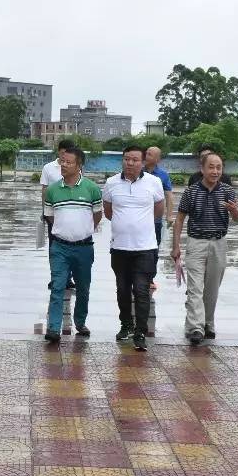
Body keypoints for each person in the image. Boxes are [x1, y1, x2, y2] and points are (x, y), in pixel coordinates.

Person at [172, 152, 238, 345]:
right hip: (196, 243)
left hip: (219, 243)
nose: (215, 171)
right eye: (211, 166)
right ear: (202, 169)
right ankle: (195, 327)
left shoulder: (227, 191)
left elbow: (237, 218)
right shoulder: (191, 192)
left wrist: (234, 210)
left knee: (212, 288)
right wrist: (175, 246)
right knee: (195, 287)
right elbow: (179, 220)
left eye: (219, 167)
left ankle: (208, 323)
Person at [103, 144, 165, 351]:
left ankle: (140, 331)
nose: (130, 163)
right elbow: (109, 212)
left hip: (145, 248)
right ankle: (126, 324)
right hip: (120, 248)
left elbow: (158, 211)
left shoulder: (154, 183)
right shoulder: (111, 183)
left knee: (141, 290)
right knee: (122, 289)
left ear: (143, 162)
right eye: (126, 159)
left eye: (135, 160)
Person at [43, 145, 102, 343]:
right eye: (62, 161)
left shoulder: (92, 189)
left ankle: (80, 322)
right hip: (60, 247)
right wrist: (65, 231)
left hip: (84, 248)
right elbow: (50, 218)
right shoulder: (52, 191)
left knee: (83, 287)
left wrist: (81, 231)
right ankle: (53, 327)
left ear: (79, 165)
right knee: (58, 286)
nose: (64, 165)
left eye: (69, 162)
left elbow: (98, 215)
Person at [41, 137, 80, 290]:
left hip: (71, 214)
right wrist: (44, 210)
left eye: (69, 154)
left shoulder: (76, 167)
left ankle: (68, 278)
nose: (65, 157)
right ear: (59, 152)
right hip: (53, 214)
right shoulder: (48, 168)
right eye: (63, 153)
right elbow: (44, 190)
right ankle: (56, 277)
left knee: (71, 246)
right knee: (55, 247)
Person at [144, 146, 175, 247]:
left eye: (149, 154)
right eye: (146, 153)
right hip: (138, 216)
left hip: (156, 218)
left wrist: (169, 215)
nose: (146, 156)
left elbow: (169, 196)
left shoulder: (163, 175)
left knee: (154, 247)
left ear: (157, 159)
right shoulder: (137, 171)